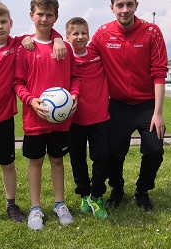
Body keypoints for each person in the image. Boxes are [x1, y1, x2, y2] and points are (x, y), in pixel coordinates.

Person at [0, 1, 66, 233]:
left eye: (3, 22)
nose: (0, 26)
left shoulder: (17, 45)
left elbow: (43, 31)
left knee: (8, 164)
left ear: (11, 23)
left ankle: (11, 205)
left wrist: (58, 38)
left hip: (5, 119)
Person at [88, 0, 168, 212]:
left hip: (147, 107)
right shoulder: (103, 33)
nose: (125, 10)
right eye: (120, 5)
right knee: (113, 153)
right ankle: (117, 189)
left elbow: (159, 72)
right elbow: (81, 54)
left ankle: (142, 191)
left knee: (155, 150)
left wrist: (158, 113)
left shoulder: (152, 32)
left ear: (136, 5)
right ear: (112, 7)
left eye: (129, 4)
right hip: (117, 106)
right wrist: (53, 40)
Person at [13, 0, 81, 231]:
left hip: (60, 121)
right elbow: (18, 83)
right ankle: (35, 208)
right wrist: (31, 101)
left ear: (56, 17)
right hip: (34, 119)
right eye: (39, 14)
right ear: (31, 15)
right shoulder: (25, 47)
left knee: (57, 161)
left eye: (49, 15)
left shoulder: (65, 48)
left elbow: (75, 78)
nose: (44, 18)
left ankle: (59, 204)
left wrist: (74, 96)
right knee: (35, 162)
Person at [65, 17, 110, 219]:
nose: (80, 36)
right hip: (74, 119)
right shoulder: (63, 56)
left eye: (84, 33)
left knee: (102, 156)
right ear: (67, 37)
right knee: (77, 159)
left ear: (89, 35)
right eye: (75, 33)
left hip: (100, 116)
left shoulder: (97, 52)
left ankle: (97, 194)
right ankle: (84, 194)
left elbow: (112, 33)